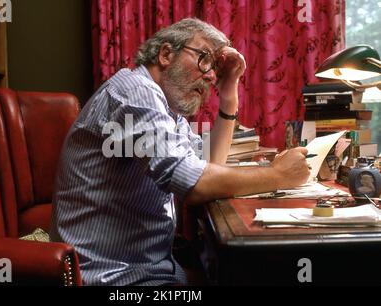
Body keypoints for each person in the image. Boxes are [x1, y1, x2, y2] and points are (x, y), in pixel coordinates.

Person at [49, 18, 310, 286]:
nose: (210, 75)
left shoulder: (166, 110)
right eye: (204, 58)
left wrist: (229, 93)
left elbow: (209, 163)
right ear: (165, 54)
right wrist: (278, 175)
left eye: (214, 67)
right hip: (115, 280)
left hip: (152, 271)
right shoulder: (135, 92)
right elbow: (194, 185)